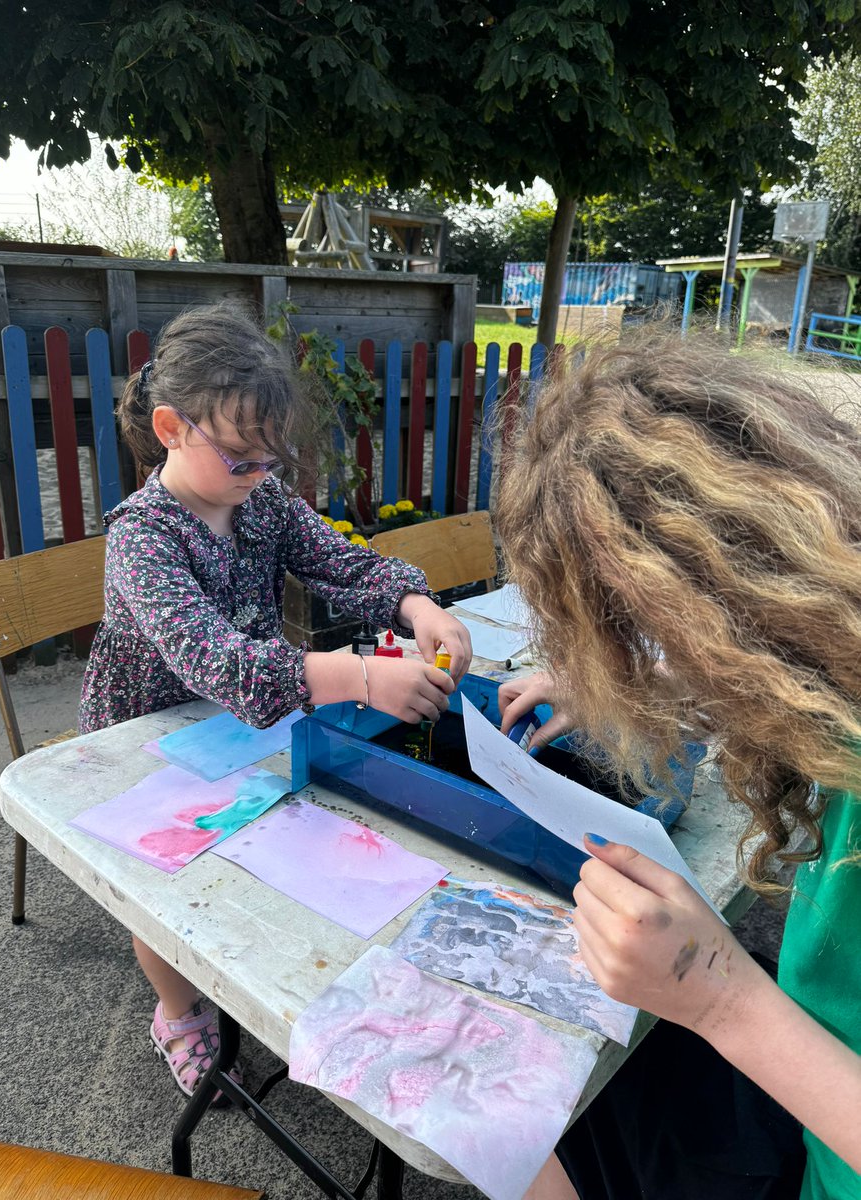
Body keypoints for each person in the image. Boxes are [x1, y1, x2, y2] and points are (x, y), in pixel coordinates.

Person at [494, 331, 861, 1200]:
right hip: (810, 1070)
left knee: (517, 1123)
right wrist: (637, 680)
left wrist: (720, 995)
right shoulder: (837, 653)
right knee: (555, 1067)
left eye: (655, 629)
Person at [79, 302, 472, 1102]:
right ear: (170, 428)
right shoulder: (142, 537)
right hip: (147, 739)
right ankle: (178, 1011)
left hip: (242, 723)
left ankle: (240, 963)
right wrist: (363, 676)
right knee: (163, 888)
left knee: (267, 850)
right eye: (241, 457)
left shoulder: (260, 502)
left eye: (271, 459)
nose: (259, 473)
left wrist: (417, 606)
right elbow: (215, 660)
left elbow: (342, 562)